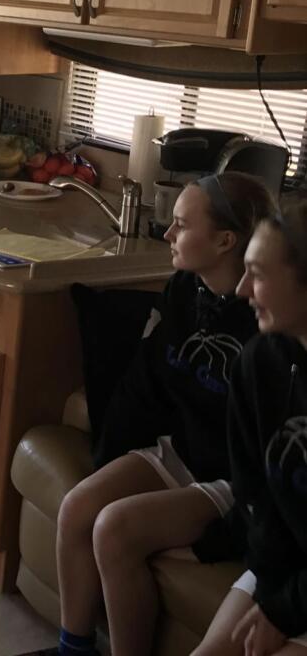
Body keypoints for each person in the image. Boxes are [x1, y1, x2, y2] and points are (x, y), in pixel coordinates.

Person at [22, 173, 276, 656]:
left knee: (113, 527)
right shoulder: (184, 289)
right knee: (79, 507)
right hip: (183, 448)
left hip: (228, 477)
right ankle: (73, 649)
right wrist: (110, 457)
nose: (167, 234)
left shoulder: (266, 324)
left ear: (225, 240)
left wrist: (217, 541)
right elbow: (146, 384)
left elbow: (267, 463)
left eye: (181, 225)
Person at [194, 198, 307, 656]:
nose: (241, 289)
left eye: (257, 274)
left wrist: (285, 612)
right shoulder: (258, 364)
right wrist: (272, 596)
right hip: (288, 569)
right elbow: (256, 497)